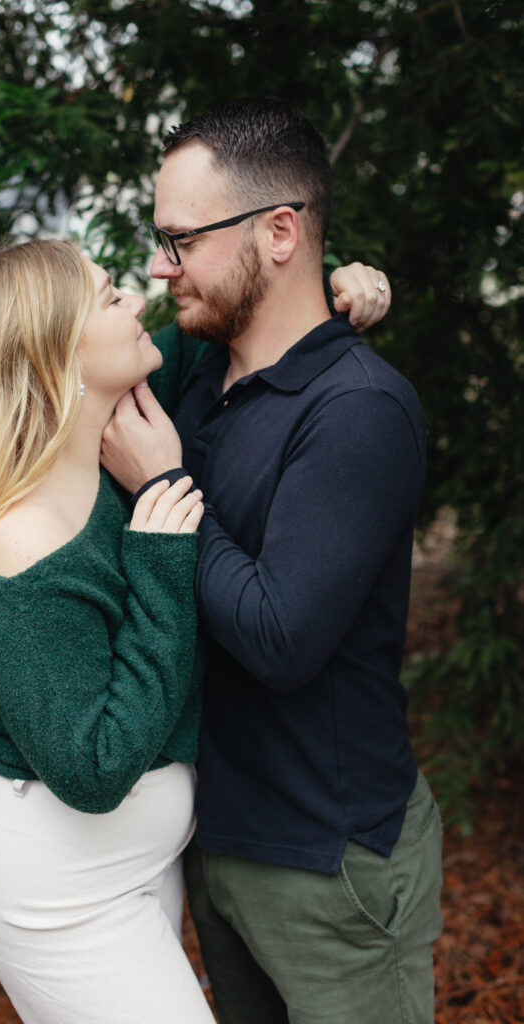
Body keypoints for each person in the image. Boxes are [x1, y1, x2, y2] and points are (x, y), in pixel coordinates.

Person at [100, 97, 444, 1024]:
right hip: (218, 844)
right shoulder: (199, 377)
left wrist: (159, 487)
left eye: (181, 240)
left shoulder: (357, 410)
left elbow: (282, 638)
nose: (160, 265)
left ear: (280, 231)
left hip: (329, 864)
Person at [0, 237, 216, 1024]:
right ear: (55, 351)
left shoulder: (115, 425)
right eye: (111, 296)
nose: (137, 300)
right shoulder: (17, 545)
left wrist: (331, 282)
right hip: (58, 896)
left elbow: (235, 321)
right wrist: (160, 556)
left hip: (133, 865)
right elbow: (93, 770)